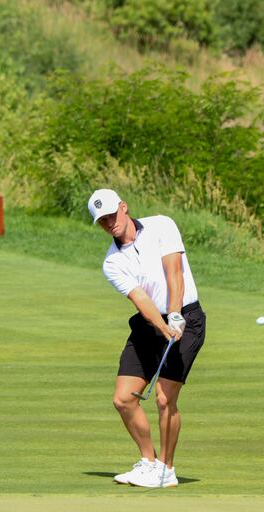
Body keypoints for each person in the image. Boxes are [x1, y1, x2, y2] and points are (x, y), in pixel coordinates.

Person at [88, 188, 206, 488]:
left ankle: (167, 471)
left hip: (187, 319)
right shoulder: (112, 263)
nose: (109, 223)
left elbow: (174, 272)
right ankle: (149, 462)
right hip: (148, 324)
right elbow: (140, 298)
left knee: (165, 399)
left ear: (124, 208)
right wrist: (162, 326)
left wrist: (175, 315)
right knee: (123, 399)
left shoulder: (162, 225)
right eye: (102, 221)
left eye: (112, 215)